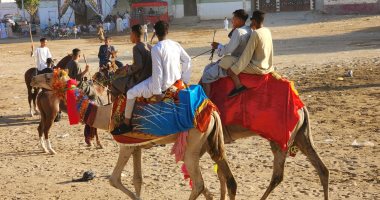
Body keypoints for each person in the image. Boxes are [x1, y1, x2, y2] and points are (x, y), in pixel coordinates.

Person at [112, 20, 191, 134]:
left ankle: (126, 124)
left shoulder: (156, 48)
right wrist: (184, 80)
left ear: (155, 33)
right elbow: (187, 60)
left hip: (162, 83)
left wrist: (157, 92)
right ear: (167, 31)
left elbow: (157, 72)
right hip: (176, 81)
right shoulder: (175, 44)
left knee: (131, 93)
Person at [219, 10, 274, 97]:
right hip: (267, 65)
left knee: (225, 60)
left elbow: (247, 55)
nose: (250, 23)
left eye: (251, 21)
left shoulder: (256, 33)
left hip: (257, 67)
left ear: (254, 21)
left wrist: (234, 69)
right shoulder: (266, 30)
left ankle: (238, 86)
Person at [200, 9, 251, 97]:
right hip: (241, 58)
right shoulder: (248, 29)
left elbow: (228, 50)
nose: (232, 21)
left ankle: (206, 103)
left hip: (236, 60)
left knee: (206, 76)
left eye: (234, 19)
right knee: (208, 67)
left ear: (239, 20)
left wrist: (218, 46)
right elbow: (231, 44)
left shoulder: (238, 32)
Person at [124, 24, 152, 90]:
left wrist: (129, 70)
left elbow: (138, 66)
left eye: (130, 34)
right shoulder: (148, 46)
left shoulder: (136, 48)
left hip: (141, 79)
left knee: (118, 83)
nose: (130, 36)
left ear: (134, 34)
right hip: (149, 77)